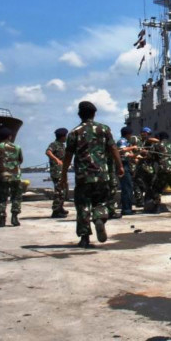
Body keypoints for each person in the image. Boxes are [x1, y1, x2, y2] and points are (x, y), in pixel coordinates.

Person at [61, 101, 124, 248]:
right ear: (94, 114)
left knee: (83, 205)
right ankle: (99, 219)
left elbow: (68, 156)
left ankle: (84, 238)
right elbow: (113, 148)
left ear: (79, 114)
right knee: (101, 202)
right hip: (102, 174)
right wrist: (120, 166)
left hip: (83, 176)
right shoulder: (104, 129)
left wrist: (63, 175)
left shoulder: (74, 132)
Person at [0, 127, 23, 227]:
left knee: (2, 197)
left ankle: (2, 219)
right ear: (10, 137)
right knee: (16, 197)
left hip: (3, 176)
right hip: (15, 176)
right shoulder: (17, 147)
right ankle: (14, 218)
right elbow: (20, 160)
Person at [45, 128, 69, 218]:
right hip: (57, 171)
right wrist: (56, 159)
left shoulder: (62, 145)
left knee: (63, 190)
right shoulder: (54, 144)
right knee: (59, 191)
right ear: (62, 136)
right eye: (65, 136)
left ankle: (60, 208)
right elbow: (48, 152)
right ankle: (55, 211)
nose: (66, 138)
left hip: (62, 171)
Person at [133, 127, 156, 208]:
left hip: (147, 166)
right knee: (139, 183)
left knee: (146, 184)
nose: (147, 135)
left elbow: (156, 141)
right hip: (143, 165)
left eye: (148, 134)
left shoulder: (149, 142)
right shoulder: (137, 140)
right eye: (146, 133)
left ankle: (145, 200)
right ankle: (141, 200)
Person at [116, 126, 136, 215]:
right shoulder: (122, 141)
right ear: (128, 134)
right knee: (127, 187)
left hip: (126, 165)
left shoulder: (125, 142)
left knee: (128, 187)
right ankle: (126, 209)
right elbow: (121, 150)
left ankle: (127, 208)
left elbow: (127, 154)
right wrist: (132, 148)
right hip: (123, 165)